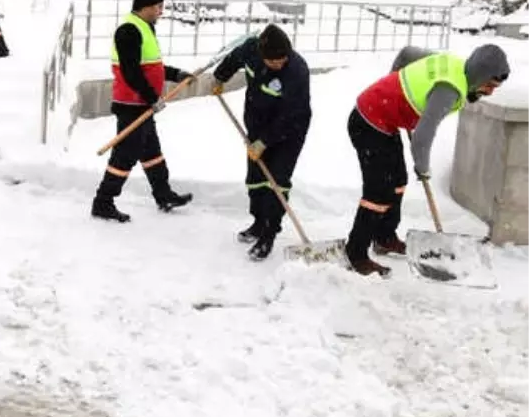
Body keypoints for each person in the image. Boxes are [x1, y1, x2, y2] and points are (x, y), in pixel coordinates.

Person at [345, 44, 510, 276]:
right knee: (378, 192)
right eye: (489, 85)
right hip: (369, 121)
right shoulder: (449, 89)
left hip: (383, 118)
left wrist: (394, 88)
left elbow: (406, 54)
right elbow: (423, 135)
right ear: (479, 75)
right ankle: (356, 253)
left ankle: (383, 237)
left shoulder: (453, 64)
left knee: (398, 181)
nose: (490, 91)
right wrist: (423, 167)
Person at [91, 0, 194, 222]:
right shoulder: (129, 30)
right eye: (158, 7)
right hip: (131, 105)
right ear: (146, 6)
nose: (161, 11)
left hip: (143, 104)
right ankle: (103, 201)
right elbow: (131, 72)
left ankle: (163, 193)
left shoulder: (144, 27)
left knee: (151, 152)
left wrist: (176, 74)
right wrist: (151, 97)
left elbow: (152, 66)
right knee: (125, 156)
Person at [212, 24, 312, 260]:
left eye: (282, 59)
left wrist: (265, 142)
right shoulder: (251, 50)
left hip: (290, 131)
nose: (279, 64)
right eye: (274, 61)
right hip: (256, 126)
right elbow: (233, 58)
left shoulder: (296, 71)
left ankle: (269, 234)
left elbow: (291, 115)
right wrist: (219, 77)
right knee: (256, 179)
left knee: (277, 182)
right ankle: (258, 222)